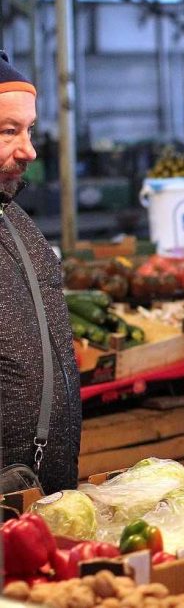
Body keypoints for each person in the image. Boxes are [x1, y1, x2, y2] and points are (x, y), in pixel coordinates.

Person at [0, 51, 81, 494]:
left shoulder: (16, 221)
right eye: (9, 131)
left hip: (42, 487)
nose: (29, 149)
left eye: (28, 129)